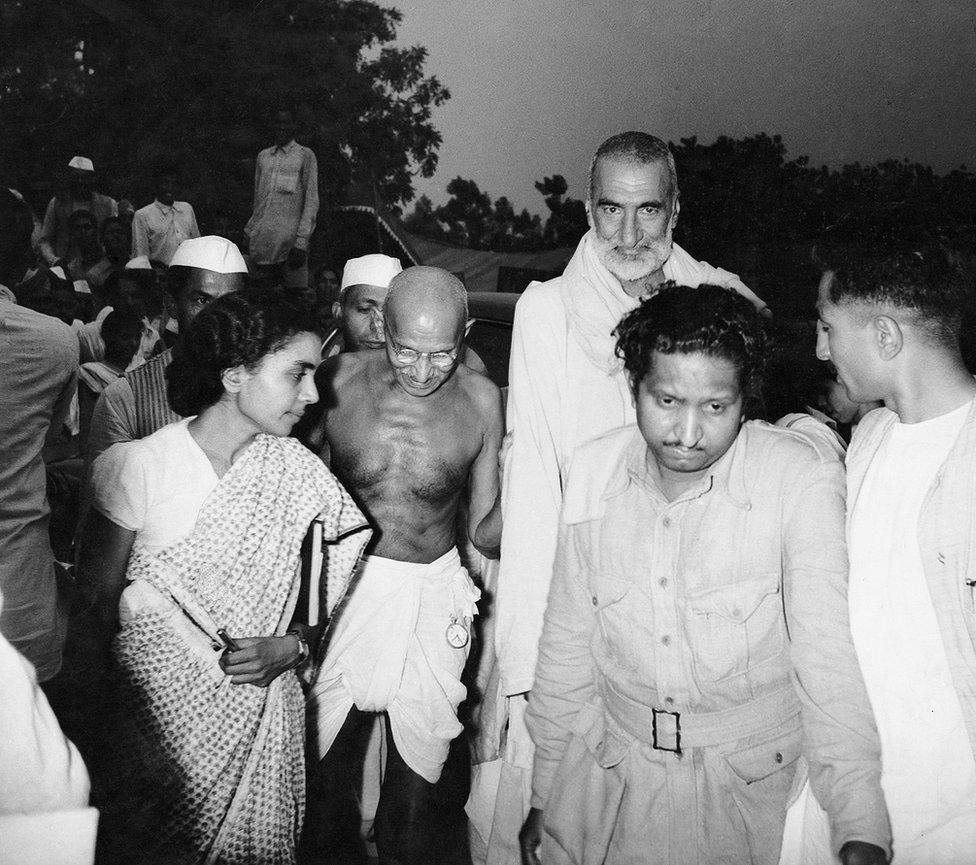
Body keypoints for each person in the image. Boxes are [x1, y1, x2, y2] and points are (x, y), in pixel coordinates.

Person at [472, 131, 769, 861]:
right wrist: (521, 665)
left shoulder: (724, 299)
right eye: (611, 211)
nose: (629, 233)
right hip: (580, 608)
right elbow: (536, 484)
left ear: (675, 208)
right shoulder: (548, 311)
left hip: (701, 620)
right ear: (587, 208)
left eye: (647, 210)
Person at [519, 284, 889, 865]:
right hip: (615, 787)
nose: (686, 434)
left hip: (749, 799)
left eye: (715, 407)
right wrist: (543, 794)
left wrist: (858, 823)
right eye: (666, 401)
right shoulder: (592, 470)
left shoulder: (798, 479)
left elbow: (829, 664)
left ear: (745, 400)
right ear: (634, 386)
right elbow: (566, 650)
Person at [78, 289, 371, 864]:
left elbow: (319, 590)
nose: (314, 394)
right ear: (235, 374)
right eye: (298, 375)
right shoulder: (141, 467)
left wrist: (291, 647)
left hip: (261, 727)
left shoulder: (300, 476)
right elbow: (95, 607)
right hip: (151, 736)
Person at [306, 266, 504, 864]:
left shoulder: (481, 400)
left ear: (466, 333)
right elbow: (297, 494)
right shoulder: (334, 381)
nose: (421, 371)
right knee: (321, 788)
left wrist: (545, 489)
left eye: (441, 354)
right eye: (404, 351)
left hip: (431, 595)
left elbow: (486, 535)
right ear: (378, 327)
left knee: (415, 801)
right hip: (342, 593)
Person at [809, 246, 976, 863]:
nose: (820, 350)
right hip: (859, 805)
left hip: (953, 821)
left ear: (884, 335)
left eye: (828, 327)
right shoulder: (872, 436)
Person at [84, 235, 247, 466]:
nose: (219, 316)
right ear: (172, 304)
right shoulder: (125, 397)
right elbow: (102, 493)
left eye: (230, 301)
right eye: (202, 300)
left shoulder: (263, 386)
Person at [243, 108, 319, 290]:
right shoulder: (263, 157)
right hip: (261, 246)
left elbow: (311, 202)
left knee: (293, 303)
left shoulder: (304, 155)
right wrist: (250, 231)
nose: (281, 127)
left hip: (291, 249)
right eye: (278, 122)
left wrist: (301, 243)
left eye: (286, 122)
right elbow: (259, 201)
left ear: (294, 126)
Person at [39, 156, 117, 265]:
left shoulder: (109, 204)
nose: (80, 182)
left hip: (99, 269)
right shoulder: (56, 203)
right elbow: (44, 240)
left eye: (85, 177)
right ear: (70, 179)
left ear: (92, 179)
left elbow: (114, 240)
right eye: (76, 177)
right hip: (64, 267)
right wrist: (54, 261)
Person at [131, 162, 201, 265]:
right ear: (156, 185)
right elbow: (140, 256)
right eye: (165, 183)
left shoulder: (187, 209)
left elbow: (197, 245)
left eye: (174, 184)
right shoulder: (142, 215)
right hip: (160, 276)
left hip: (187, 273)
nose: (170, 187)